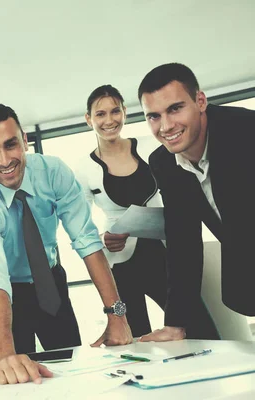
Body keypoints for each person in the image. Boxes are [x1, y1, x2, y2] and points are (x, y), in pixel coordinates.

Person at [0, 103, 133, 385]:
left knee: (71, 372)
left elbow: (86, 240)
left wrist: (117, 315)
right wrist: (3, 355)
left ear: (25, 141)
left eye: (10, 144)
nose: (5, 160)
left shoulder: (52, 172)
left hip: (51, 285)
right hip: (8, 297)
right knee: (17, 380)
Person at [138, 62, 254, 342]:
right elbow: (182, 240)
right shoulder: (163, 162)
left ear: (200, 101)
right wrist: (175, 323)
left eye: (175, 108)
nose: (166, 126)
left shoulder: (246, 131)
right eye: (154, 116)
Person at [75, 84, 168, 337]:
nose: (109, 120)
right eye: (100, 114)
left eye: (115, 111)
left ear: (125, 112)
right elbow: (80, 226)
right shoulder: (84, 169)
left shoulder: (153, 147)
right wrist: (103, 239)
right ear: (88, 119)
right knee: (135, 336)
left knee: (194, 324)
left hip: (165, 254)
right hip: (122, 263)